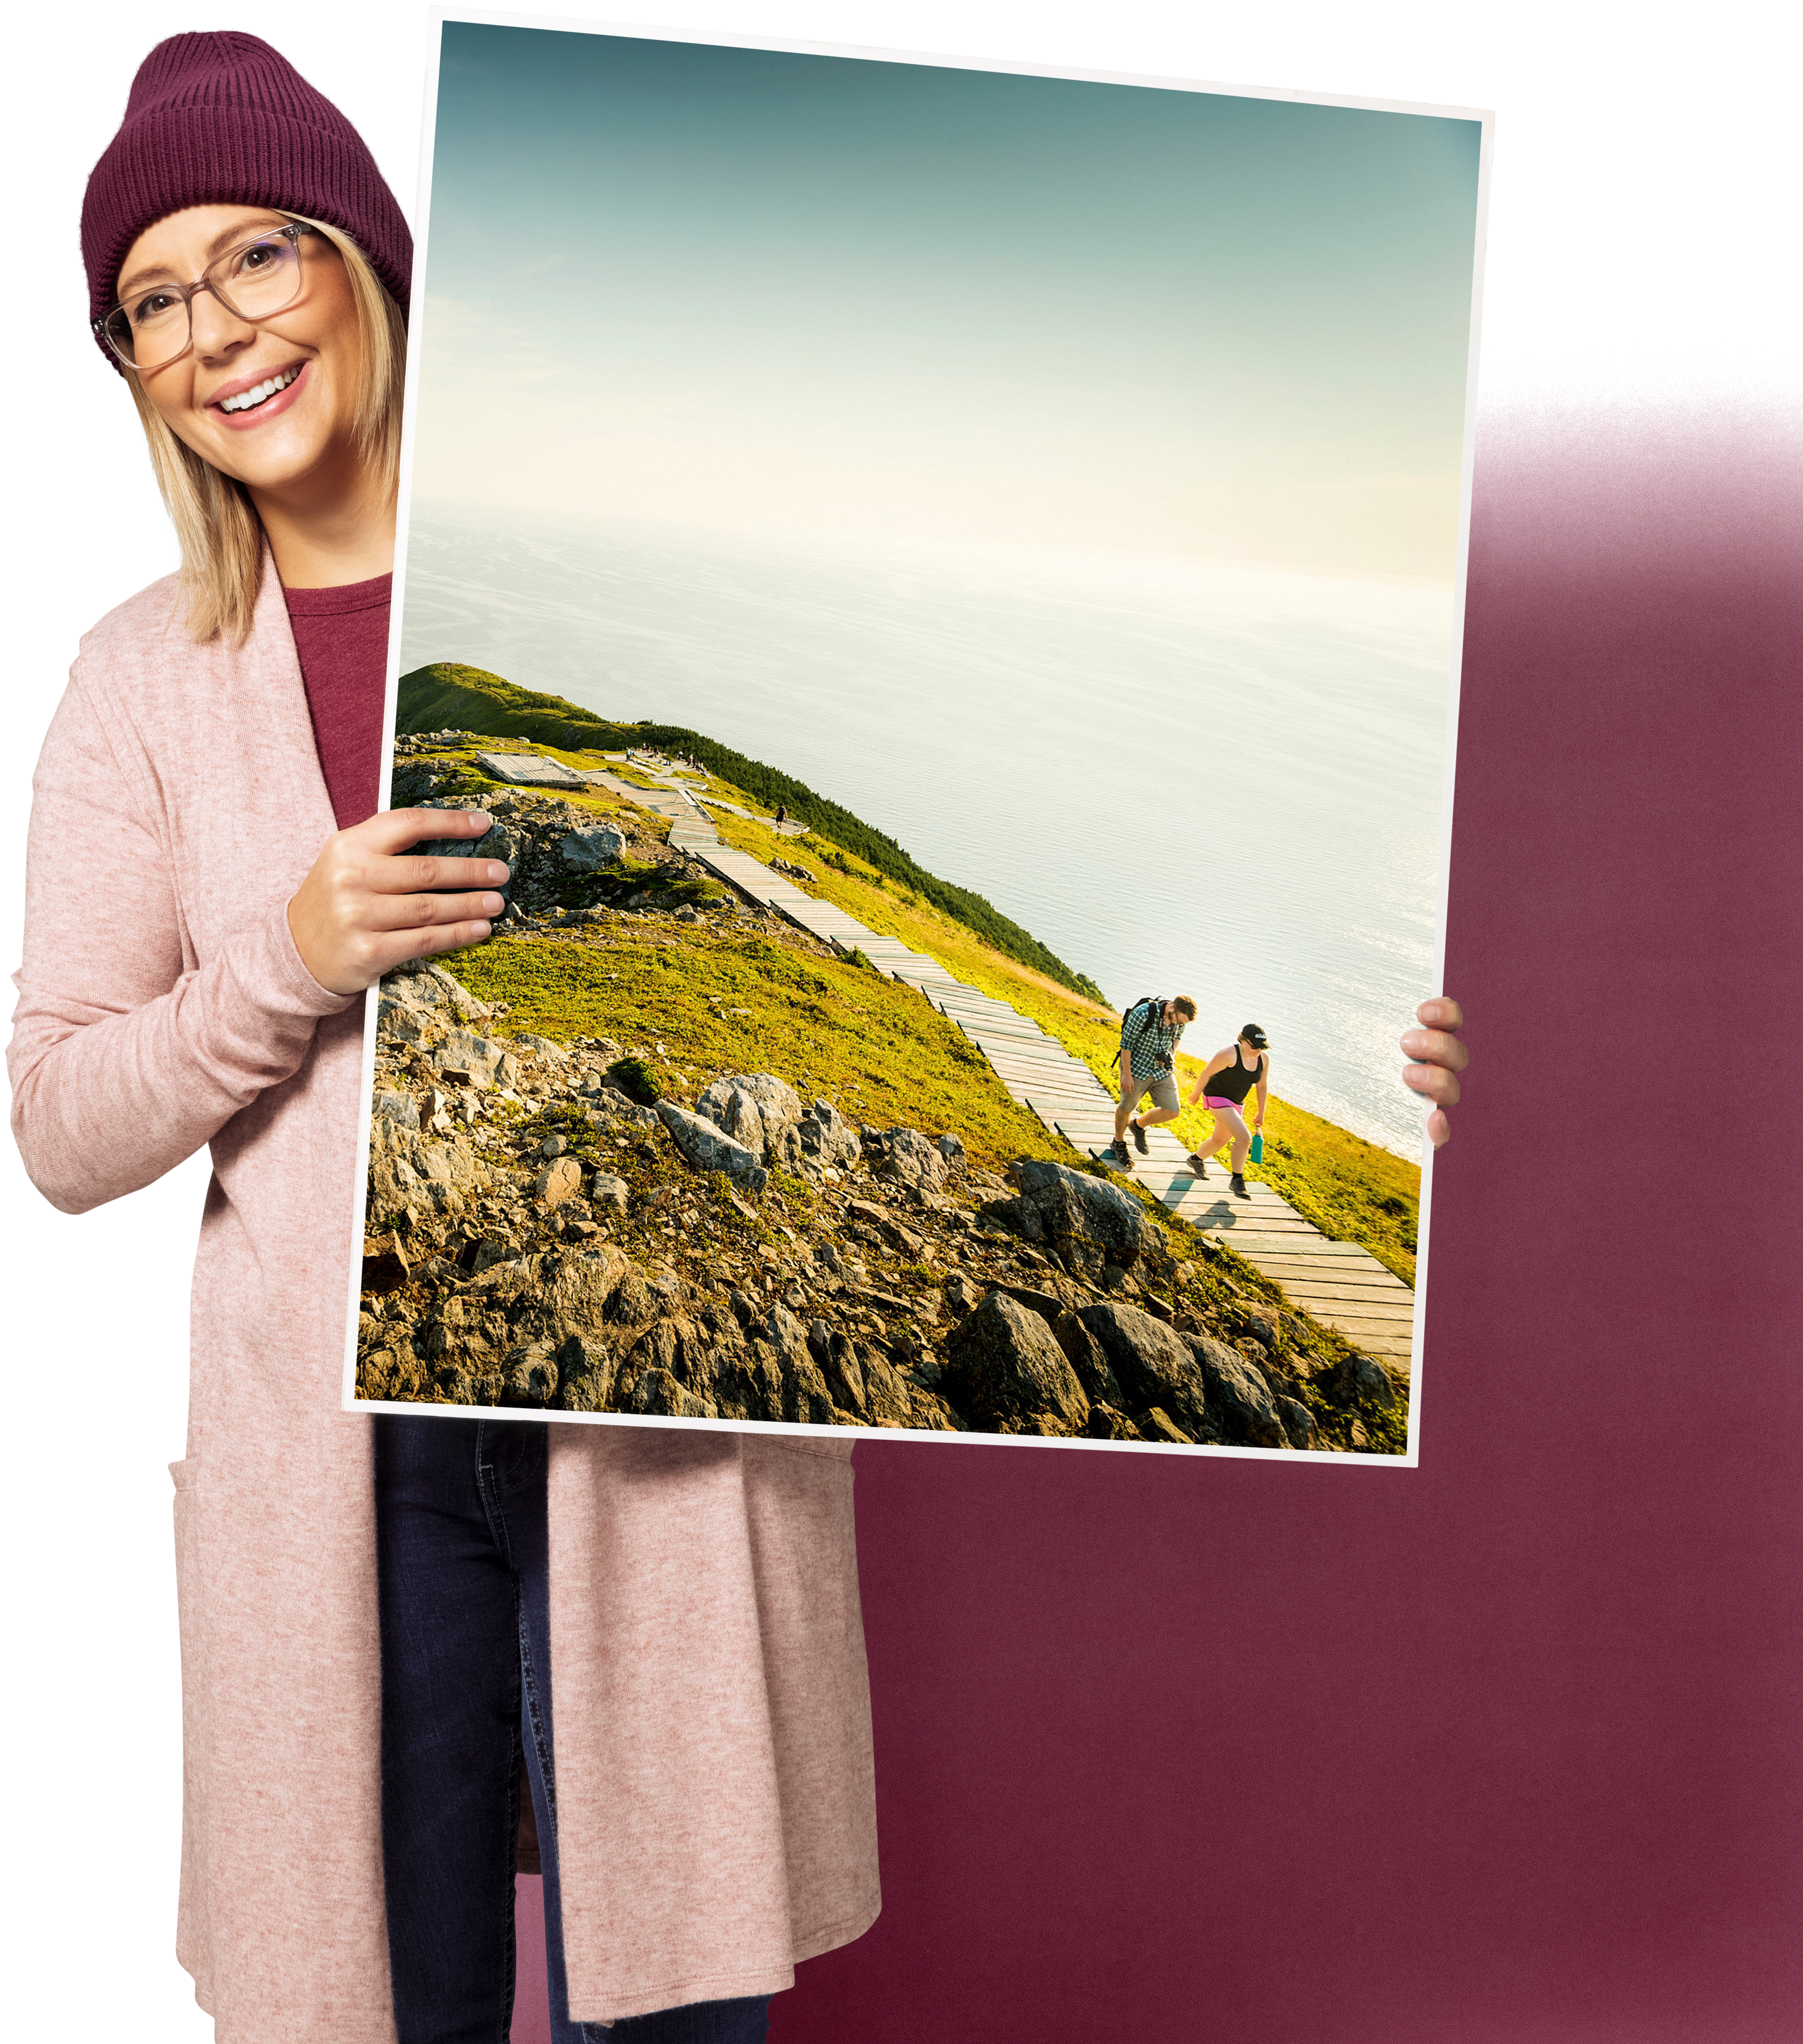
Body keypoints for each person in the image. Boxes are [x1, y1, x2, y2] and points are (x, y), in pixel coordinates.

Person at [8, 28, 1472, 2044]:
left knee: (673, 2010)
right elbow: (63, 1124)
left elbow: (961, 718)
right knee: (376, 1995)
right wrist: (288, 951)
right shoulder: (150, 677)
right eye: (149, 302)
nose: (209, 331)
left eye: (257, 255)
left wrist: (1344, 1082)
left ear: (374, 263)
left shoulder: (542, 567)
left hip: (667, 1448)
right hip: (331, 1481)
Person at [1106, 993, 1197, 1168]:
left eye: (1183, 1024)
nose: (1180, 1025)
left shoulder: (1180, 1021)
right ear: (1172, 1008)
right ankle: (1118, 1143)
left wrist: (1170, 1054)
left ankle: (1138, 1126)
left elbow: (1177, 1039)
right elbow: (1126, 1044)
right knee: (1127, 1107)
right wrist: (1127, 1074)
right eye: (1180, 1021)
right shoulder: (1143, 1014)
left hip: (1161, 1070)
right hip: (1137, 1067)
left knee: (1173, 1110)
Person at [1186, 1024, 1270, 1196]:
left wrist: (1261, 1112)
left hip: (1236, 1103)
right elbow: (1206, 1074)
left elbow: (1261, 1085)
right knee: (1244, 1137)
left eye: (1262, 1046)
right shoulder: (1228, 1054)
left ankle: (1196, 1160)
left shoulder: (1263, 1059)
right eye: (1255, 1046)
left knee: (1220, 1140)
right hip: (1216, 1096)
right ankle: (1237, 1180)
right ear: (1243, 1041)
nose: (1259, 1050)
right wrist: (1196, 1094)